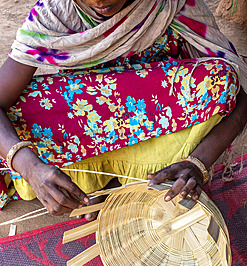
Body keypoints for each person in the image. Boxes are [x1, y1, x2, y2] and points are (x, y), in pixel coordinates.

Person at [0, 0, 246, 220]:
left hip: (159, 119)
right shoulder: (54, 14)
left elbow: (243, 97)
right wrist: (29, 166)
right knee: (19, 110)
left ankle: (142, 181)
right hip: (92, 126)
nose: (98, 1)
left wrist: (198, 163)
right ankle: (97, 182)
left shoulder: (169, 5)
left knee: (220, 80)